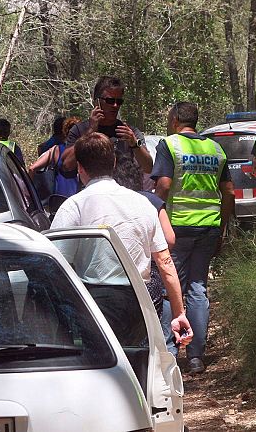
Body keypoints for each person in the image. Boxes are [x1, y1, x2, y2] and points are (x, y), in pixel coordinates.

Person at [51, 132, 192, 347]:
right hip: (140, 303)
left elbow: (55, 266)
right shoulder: (143, 204)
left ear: (79, 168)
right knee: (138, 366)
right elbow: (165, 262)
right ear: (114, 162)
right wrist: (179, 313)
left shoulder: (74, 206)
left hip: (95, 303)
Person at [151, 101, 235, 374]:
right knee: (198, 290)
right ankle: (196, 356)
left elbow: (163, 185)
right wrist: (222, 228)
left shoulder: (170, 145)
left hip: (177, 229)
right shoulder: (215, 148)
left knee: (170, 290)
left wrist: (155, 213)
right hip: (208, 228)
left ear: (175, 119)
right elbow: (230, 193)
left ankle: (171, 353)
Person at [113, 154, 175, 318]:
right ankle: (167, 342)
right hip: (148, 276)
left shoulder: (108, 201)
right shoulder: (152, 200)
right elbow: (169, 239)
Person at [60, 76, 153, 175]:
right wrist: (90, 132)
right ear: (97, 101)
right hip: (93, 189)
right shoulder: (80, 130)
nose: (115, 106)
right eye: (110, 101)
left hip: (124, 189)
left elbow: (149, 168)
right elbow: (67, 165)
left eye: (119, 102)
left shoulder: (129, 132)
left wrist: (134, 144)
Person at [28, 116, 81, 198]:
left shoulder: (57, 150)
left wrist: (29, 194)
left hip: (58, 199)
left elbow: (32, 168)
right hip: (80, 199)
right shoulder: (87, 151)